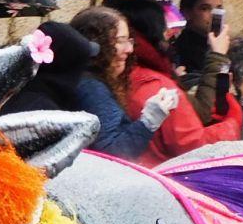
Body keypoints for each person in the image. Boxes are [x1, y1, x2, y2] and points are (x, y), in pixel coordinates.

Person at [110, 0, 242, 164]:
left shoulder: (123, 75)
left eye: (217, 9)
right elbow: (193, 144)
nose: (170, 33)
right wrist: (232, 121)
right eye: (205, 8)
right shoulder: (156, 85)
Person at [62, 8, 170, 157]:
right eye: (120, 41)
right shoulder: (91, 88)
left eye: (129, 41)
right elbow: (113, 152)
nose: (130, 49)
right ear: (97, 45)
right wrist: (149, 120)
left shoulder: (79, 78)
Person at [171, 0, 225, 75]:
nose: (214, 15)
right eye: (205, 8)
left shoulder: (225, 45)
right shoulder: (181, 52)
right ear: (187, 13)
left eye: (218, 9)